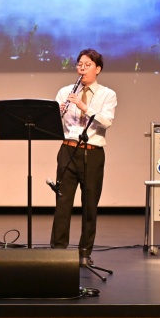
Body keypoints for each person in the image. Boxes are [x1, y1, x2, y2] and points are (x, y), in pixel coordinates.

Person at [51, 49, 117, 266]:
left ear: (98, 69)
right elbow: (55, 125)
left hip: (92, 153)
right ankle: (58, 250)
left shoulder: (107, 94)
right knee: (63, 202)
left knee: (90, 205)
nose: (82, 68)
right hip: (68, 150)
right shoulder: (64, 92)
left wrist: (83, 107)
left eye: (87, 64)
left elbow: (106, 121)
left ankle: (84, 252)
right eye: (79, 64)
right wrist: (57, 113)